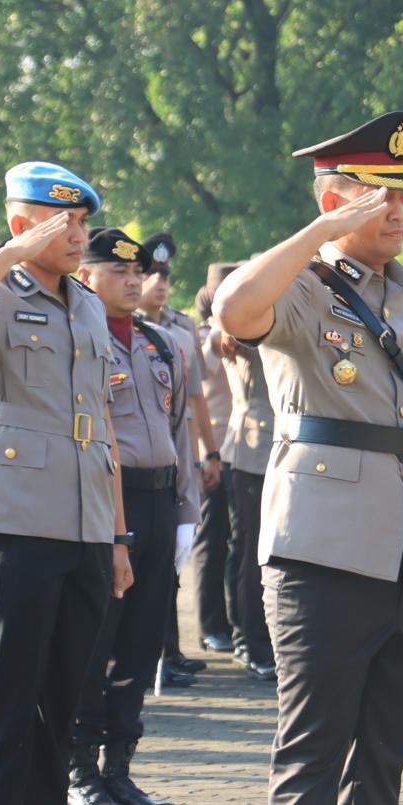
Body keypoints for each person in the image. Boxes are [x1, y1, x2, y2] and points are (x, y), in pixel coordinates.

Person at [213, 111, 403, 803]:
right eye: (378, 194)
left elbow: (402, 407)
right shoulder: (305, 287)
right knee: (312, 756)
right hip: (324, 553)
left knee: (382, 759)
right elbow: (233, 309)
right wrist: (319, 236)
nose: (398, 208)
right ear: (332, 199)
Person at [0, 161, 132, 804]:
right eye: (61, 222)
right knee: (7, 695)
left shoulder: (89, 307)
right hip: (12, 523)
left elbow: (104, 428)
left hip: (87, 525)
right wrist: (8, 256)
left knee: (61, 701)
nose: (76, 234)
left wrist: (118, 536)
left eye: (81, 222)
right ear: (20, 224)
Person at [71, 227, 199, 805]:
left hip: (158, 499)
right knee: (95, 641)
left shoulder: (160, 343)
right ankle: (80, 772)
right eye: (118, 271)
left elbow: (182, 434)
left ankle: (118, 765)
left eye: (137, 271)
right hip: (103, 507)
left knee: (143, 643)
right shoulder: (77, 340)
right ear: (85, 276)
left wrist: (185, 513)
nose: (133, 280)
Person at [138, 231, 212, 686]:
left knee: (173, 559)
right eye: (150, 274)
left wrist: (207, 455)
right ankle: (150, 653)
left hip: (177, 455)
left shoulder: (180, 330)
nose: (159, 283)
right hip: (140, 460)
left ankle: (170, 651)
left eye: (164, 276)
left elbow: (195, 401)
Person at [213, 304, 278, 679]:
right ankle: (250, 640)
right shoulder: (247, 317)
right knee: (251, 550)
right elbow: (224, 337)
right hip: (252, 447)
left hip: (286, 445)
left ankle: (265, 637)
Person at [191, 264, 239, 655]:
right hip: (215, 450)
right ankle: (210, 624)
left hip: (247, 450)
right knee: (212, 540)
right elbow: (207, 362)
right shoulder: (205, 335)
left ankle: (238, 620)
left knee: (241, 542)